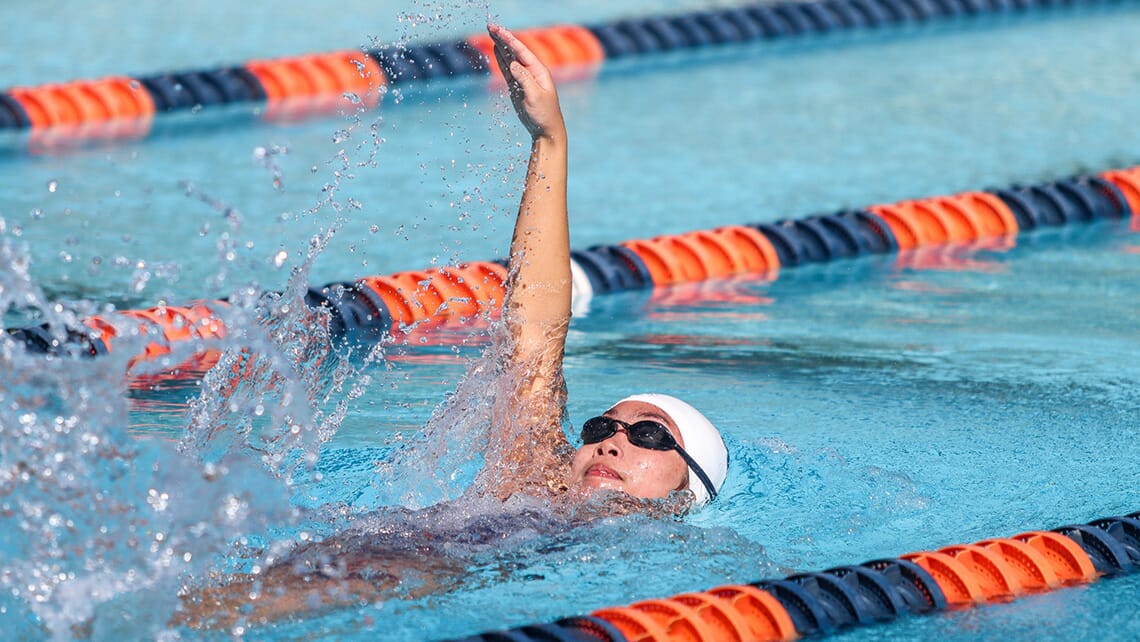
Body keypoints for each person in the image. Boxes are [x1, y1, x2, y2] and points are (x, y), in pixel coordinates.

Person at [177, 24, 728, 628]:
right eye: (603, 425)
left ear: (687, 489)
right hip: (357, 561)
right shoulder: (533, 479)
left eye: (650, 436)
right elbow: (535, 332)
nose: (611, 440)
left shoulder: (671, 560)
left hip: (403, 581)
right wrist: (549, 140)